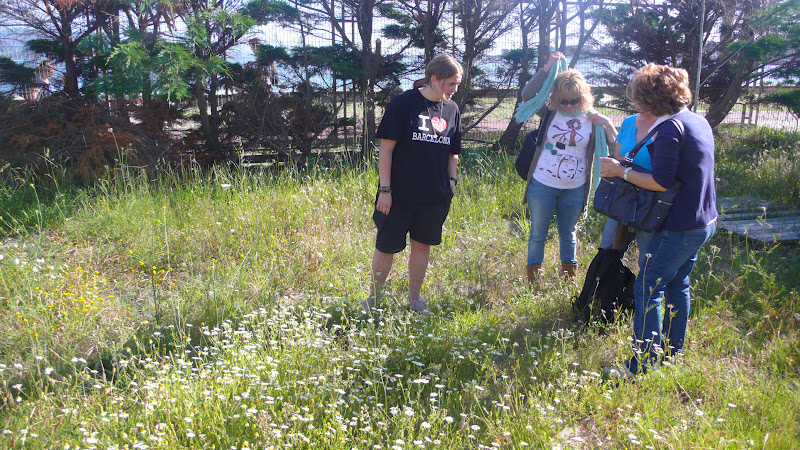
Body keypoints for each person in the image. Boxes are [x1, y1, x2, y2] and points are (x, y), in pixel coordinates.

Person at [599, 64, 717, 378]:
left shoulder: (669, 129)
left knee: (648, 289)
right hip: (703, 221)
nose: (635, 105)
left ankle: (641, 365)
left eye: (638, 99)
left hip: (678, 227)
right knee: (678, 283)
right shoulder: (695, 120)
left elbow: (661, 181)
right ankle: (671, 351)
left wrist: (619, 171)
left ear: (653, 101)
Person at [364, 54, 463, 313]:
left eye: (457, 84)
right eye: (451, 83)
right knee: (385, 247)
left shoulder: (452, 109)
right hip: (398, 195)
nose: (455, 90)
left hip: (434, 197)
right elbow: (385, 150)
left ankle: (414, 299)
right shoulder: (403, 104)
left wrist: (451, 181)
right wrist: (385, 190)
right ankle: (373, 299)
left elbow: (453, 153)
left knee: (422, 245)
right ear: (434, 79)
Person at [520, 52, 616, 285]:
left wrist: (608, 123)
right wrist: (547, 67)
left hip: (575, 188)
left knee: (568, 235)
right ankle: (534, 284)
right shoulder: (549, 113)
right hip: (542, 184)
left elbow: (615, 148)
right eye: (564, 100)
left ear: (583, 97)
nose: (569, 105)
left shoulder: (592, 119)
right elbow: (527, 95)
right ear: (556, 98)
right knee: (537, 236)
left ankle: (567, 283)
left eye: (574, 100)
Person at [597, 109, 659, 269]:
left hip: (651, 200)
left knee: (648, 258)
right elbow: (618, 157)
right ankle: (607, 291)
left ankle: (645, 293)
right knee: (608, 250)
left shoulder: (668, 125)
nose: (640, 106)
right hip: (623, 195)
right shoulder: (629, 121)